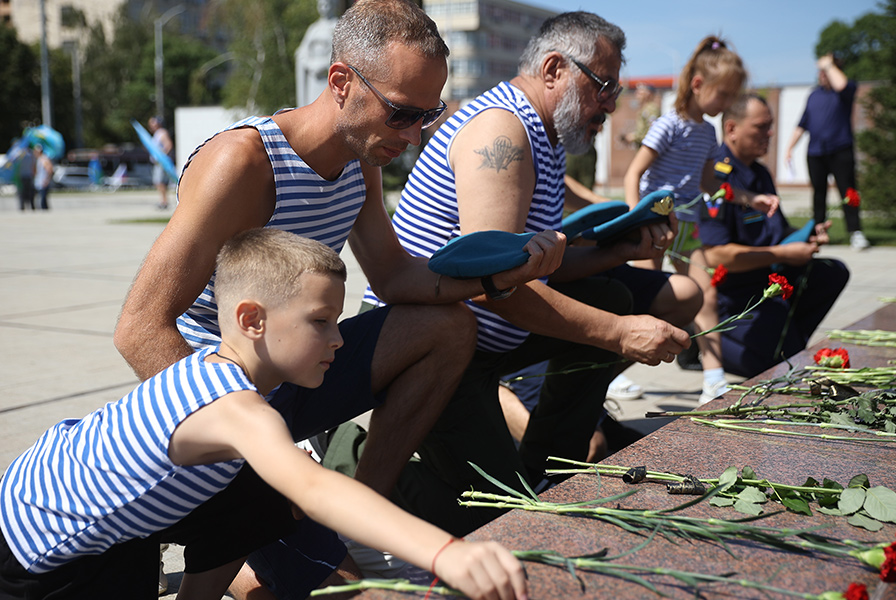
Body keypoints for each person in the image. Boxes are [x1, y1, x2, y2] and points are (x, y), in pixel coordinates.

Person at [114, 0, 564, 597]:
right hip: (230, 392)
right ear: (341, 81)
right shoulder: (244, 162)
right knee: (344, 594)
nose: (413, 136)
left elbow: (394, 278)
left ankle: (351, 515)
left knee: (449, 329)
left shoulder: (361, 158)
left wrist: (497, 279)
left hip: (295, 371)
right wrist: (242, 438)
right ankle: (277, 554)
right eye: (401, 113)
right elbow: (140, 330)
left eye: (428, 116)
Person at [0, 228, 529, 600]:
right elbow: (316, 490)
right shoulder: (234, 408)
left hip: (87, 518)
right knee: (278, 485)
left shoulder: (220, 369)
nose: (339, 338)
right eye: (321, 321)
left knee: (258, 492)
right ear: (251, 319)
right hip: (39, 553)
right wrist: (446, 554)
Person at [355, 11, 697, 536]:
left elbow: (537, 270)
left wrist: (619, 250)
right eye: (603, 86)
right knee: (502, 516)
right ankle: (357, 471)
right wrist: (621, 334)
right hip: (435, 350)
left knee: (610, 294)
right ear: (555, 68)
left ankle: (552, 471)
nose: (610, 103)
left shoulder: (545, 134)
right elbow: (498, 290)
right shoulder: (504, 132)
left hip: (486, 343)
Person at [623, 36, 778, 404]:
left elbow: (710, 184)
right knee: (640, 296)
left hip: (687, 226)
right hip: (656, 220)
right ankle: (610, 373)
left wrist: (748, 198)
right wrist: (635, 218)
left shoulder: (707, 133)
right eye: (723, 96)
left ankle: (714, 378)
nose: (727, 105)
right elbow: (634, 175)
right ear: (697, 85)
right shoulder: (668, 125)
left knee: (705, 294)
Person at [693, 93, 849, 380]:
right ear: (732, 129)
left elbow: (778, 230)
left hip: (767, 281)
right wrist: (781, 255)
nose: (770, 133)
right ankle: (698, 343)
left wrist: (808, 235)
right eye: (761, 126)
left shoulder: (761, 174)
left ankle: (786, 342)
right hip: (734, 295)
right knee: (771, 364)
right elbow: (715, 255)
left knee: (832, 272)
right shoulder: (716, 177)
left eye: (771, 125)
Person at [786, 53, 870, 251]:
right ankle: (818, 231)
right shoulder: (814, 95)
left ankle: (856, 233)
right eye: (821, 71)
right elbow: (802, 124)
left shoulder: (845, 91)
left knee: (847, 191)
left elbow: (840, 84)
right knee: (818, 194)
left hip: (841, 150)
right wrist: (789, 148)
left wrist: (829, 64)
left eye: (826, 71)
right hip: (816, 152)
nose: (822, 74)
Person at [621, 82, 660, 149]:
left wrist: (634, 137)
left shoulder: (651, 109)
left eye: (640, 92)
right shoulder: (644, 109)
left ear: (648, 94)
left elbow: (652, 132)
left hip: (649, 149)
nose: (636, 94)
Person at [147, 116, 174, 210]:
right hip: (158, 163)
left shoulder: (162, 133)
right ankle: (163, 200)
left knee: (160, 182)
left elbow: (168, 145)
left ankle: (164, 201)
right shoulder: (157, 134)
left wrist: (162, 157)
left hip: (161, 163)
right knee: (159, 182)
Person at [15, 146, 36, 211]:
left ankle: (22, 207)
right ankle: (32, 206)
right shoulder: (31, 156)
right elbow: (33, 165)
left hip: (21, 176)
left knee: (21, 192)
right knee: (30, 192)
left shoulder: (18, 156)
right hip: (29, 176)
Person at [33, 144, 52, 210]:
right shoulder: (39, 159)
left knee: (42, 200)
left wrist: (46, 180)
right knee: (41, 199)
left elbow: (49, 170)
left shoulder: (44, 159)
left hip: (43, 182)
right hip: (39, 182)